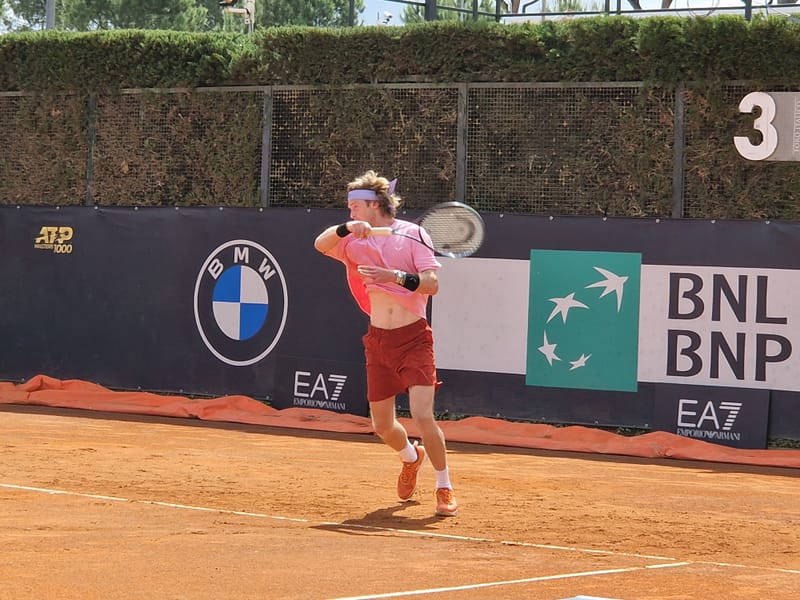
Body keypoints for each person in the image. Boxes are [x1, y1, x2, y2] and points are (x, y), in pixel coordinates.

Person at [313, 170, 458, 517]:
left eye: (355, 206)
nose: (350, 212)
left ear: (375, 204)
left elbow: (431, 284)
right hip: (378, 340)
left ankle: (444, 486)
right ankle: (411, 457)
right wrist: (347, 229)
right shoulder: (351, 240)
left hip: (414, 338)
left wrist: (393, 277)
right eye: (348, 207)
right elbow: (320, 244)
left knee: (423, 415)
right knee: (380, 426)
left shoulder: (412, 234)